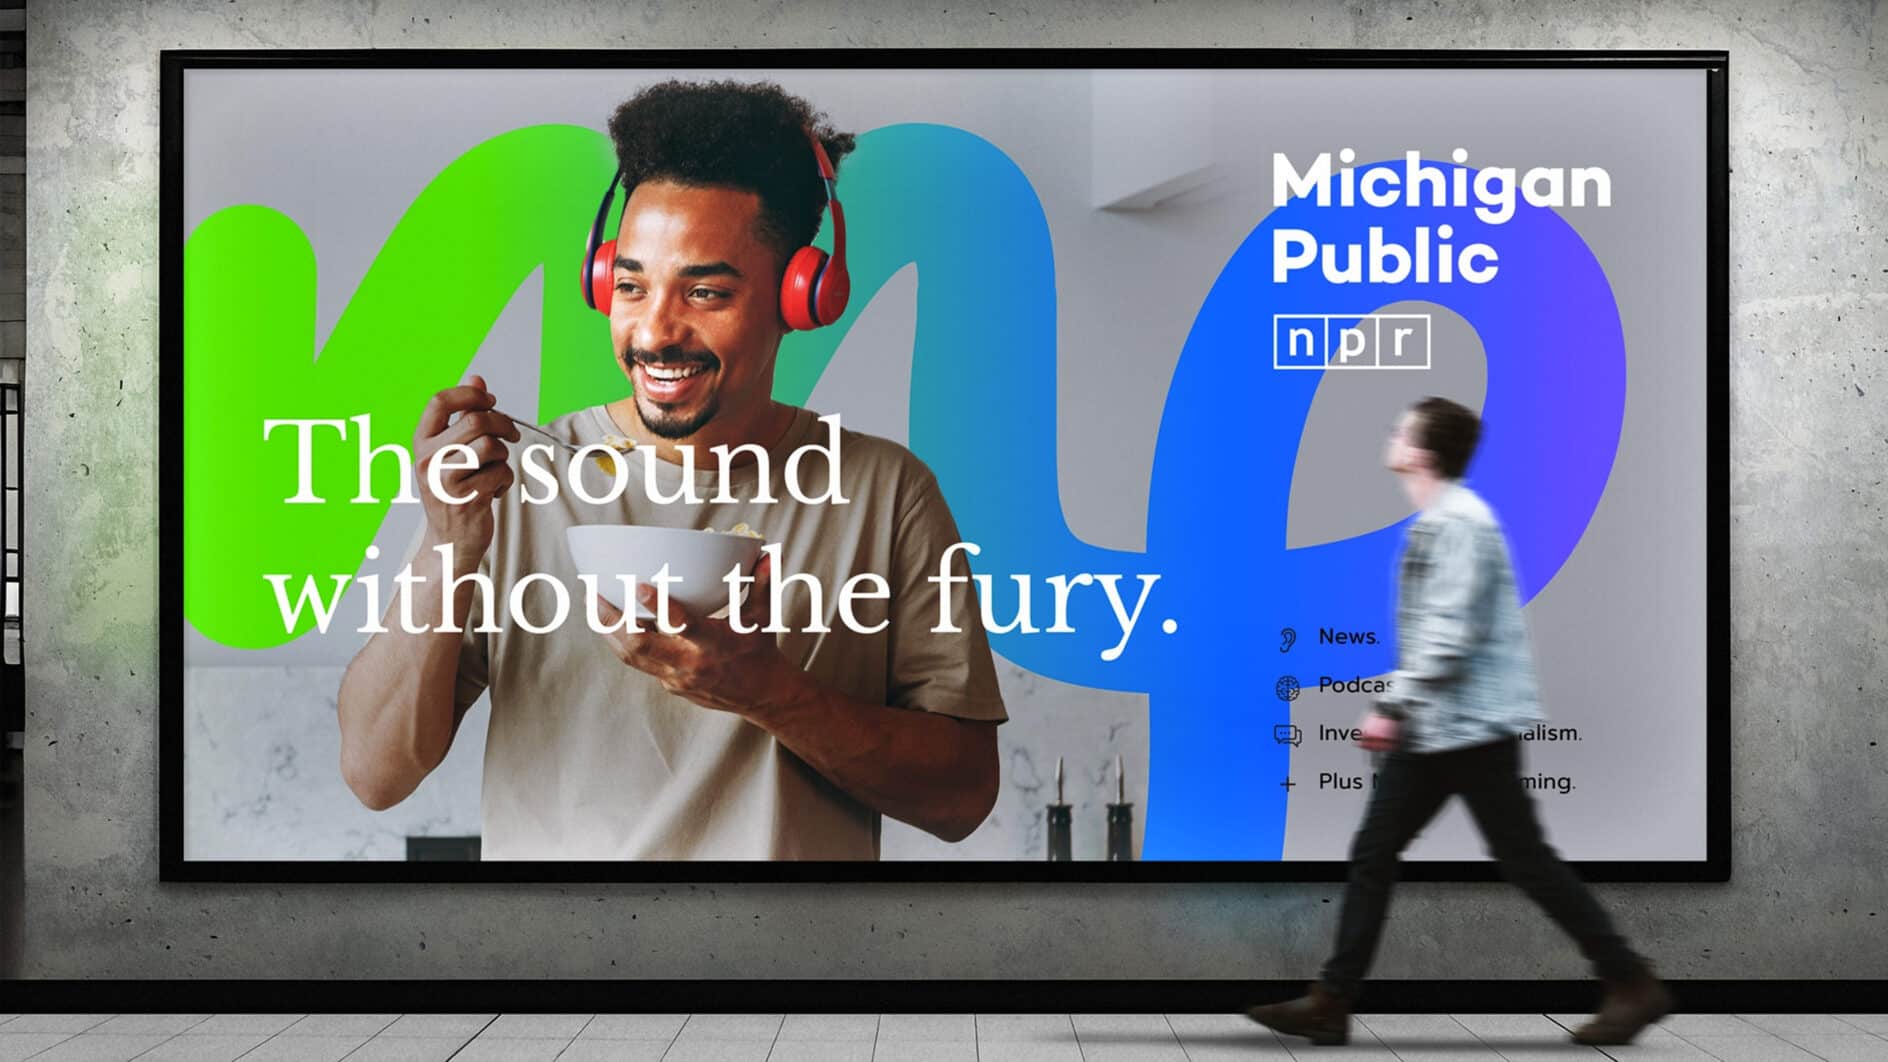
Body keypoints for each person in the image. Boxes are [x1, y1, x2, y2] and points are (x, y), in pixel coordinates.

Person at [335, 79, 1006, 859]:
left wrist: (774, 695)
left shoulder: (887, 495)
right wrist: (448, 544)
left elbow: (963, 798)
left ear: (803, 295)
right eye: (630, 285)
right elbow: (374, 774)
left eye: (706, 291)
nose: (654, 331)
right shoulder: (520, 484)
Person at [1246, 397, 1671, 1047]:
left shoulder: (1460, 525)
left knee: (1511, 860)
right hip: (1443, 724)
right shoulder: (1440, 523)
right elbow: (1437, 638)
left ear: (1421, 453)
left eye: (1401, 429)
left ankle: (1632, 982)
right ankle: (1333, 1001)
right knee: (1389, 852)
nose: (1390, 434)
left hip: (1466, 728)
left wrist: (1392, 704)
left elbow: (1450, 636)